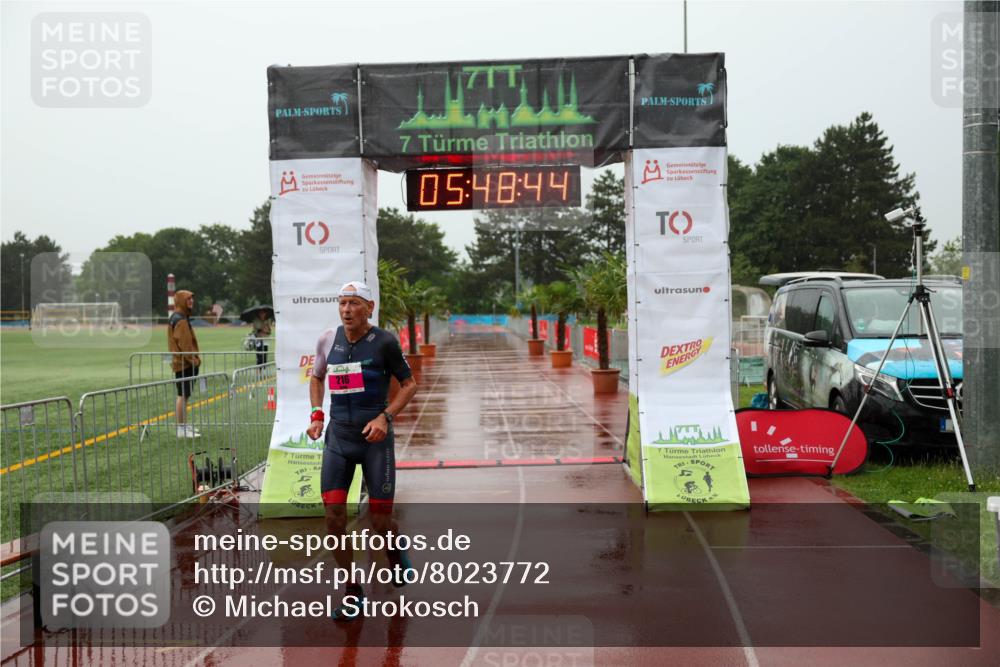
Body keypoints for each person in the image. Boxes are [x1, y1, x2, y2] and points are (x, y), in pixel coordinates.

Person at [306, 281, 418, 620]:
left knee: (380, 522)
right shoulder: (328, 339)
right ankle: (352, 591)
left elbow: (409, 385)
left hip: (374, 442)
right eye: (342, 303)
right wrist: (316, 414)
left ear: (369, 307)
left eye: (354, 303)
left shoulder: (384, 342)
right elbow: (316, 377)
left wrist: (385, 417)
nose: (346, 310)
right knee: (333, 518)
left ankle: (394, 549)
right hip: (339, 440)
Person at [168, 289, 201, 439]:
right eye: (188, 299)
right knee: (182, 395)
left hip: (182, 362)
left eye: (192, 298)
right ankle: (181, 428)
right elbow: (185, 345)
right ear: (181, 301)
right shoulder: (180, 320)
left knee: (184, 395)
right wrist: (194, 361)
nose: (191, 301)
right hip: (184, 364)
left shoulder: (179, 317)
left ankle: (183, 425)